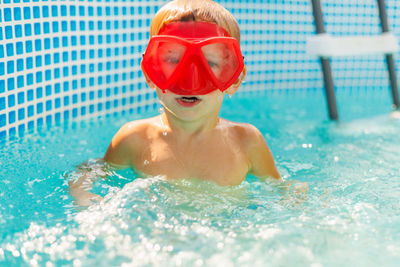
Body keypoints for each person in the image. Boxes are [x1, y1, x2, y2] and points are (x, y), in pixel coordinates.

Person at [69, 0, 306, 206]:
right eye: (173, 60)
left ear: (234, 78)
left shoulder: (246, 141)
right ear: (150, 72)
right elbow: (90, 173)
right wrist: (82, 193)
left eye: (210, 63)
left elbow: (279, 188)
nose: (190, 78)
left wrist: (297, 195)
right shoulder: (134, 138)